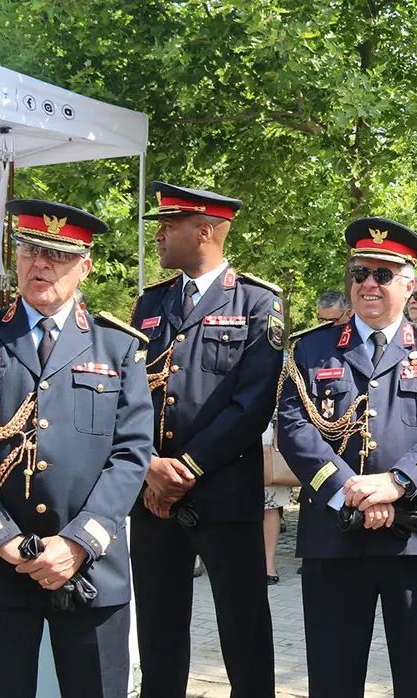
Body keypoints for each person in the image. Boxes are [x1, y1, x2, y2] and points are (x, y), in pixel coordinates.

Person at [276, 218, 417, 698]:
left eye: (383, 274)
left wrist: (398, 483)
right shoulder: (311, 347)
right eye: (359, 272)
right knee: (332, 675)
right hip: (335, 534)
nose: (368, 283)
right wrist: (350, 489)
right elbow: (293, 427)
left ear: (410, 286)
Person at [0, 199, 152, 697]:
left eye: (59, 255)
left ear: (85, 266)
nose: (41, 264)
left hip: (90, 564)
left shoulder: (117, 347)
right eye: (30, 249)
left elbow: (132, 453)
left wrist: (78, 543)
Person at [129, 182, 282, 698]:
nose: (159, 234)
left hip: (222, 494)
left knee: (243, 630)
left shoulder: (259, 303)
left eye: (169, 225)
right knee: (158, 627)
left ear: (205, 232)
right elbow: (129, 396)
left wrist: (187, 468)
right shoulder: (151, 303)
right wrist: (150, 465)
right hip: (152, 496)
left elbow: (253, 404)